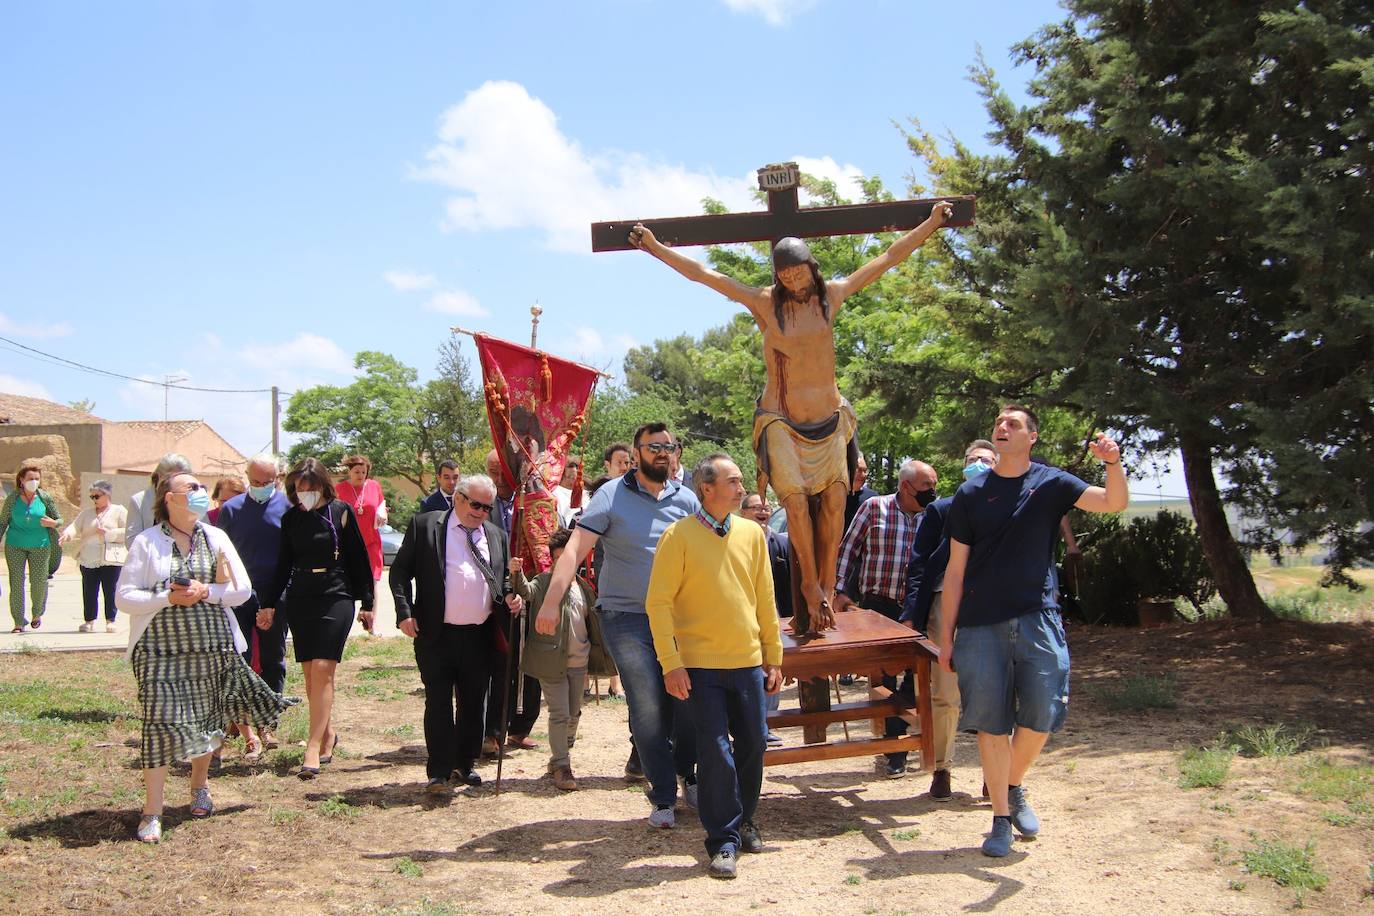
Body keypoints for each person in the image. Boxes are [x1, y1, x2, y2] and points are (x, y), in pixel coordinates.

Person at [629, 201, 953, 633]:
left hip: (828, 422)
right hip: (781, 419)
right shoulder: (766, 305)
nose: (793, 280)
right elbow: (707, 276)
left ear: (811, 269)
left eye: (798, 273)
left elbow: (887, 258)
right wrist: (654, 247)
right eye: (785, 275)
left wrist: (930, 223)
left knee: (837, 502)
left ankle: (826, 580)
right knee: (796, 502)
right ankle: (810, 589)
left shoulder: (829, 298)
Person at [938, 406, 1126, 857]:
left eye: (1013, 424)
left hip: (1038, 617)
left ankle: (1013, 783)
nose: (1002, 428)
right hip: (980, 623)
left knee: (1043, 709)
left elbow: (1113, 503)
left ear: (1033, 437)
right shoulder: (970, 492)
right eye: (998, 423)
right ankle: (1001, 818)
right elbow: (956, 571)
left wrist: (1113, 463)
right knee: (991, 722)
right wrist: (947, 638)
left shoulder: (1052, 483)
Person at [537, 422, 700, 827]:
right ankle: (663, 796)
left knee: (688, 702)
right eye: (655, 446)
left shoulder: (688, 500)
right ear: (637, 450)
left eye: (669, 446)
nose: (663, 453)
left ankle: (688, 773)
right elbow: (575, 549)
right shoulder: (611, 495)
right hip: (626, 617)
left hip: (680, 618)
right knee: (646, 704)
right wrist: (551, 603)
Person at [115, 468, 290, 843]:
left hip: (211, 647)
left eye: (199, 487)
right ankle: (152, 810)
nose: (198, 492)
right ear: (169, 498)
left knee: (206, 720)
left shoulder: (216, 537)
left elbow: (241, 590)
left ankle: (199, 786)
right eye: (189, 487)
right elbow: (123, 598)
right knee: (158, 723)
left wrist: (205, 591)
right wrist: (167, 597)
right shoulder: (147, 543)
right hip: (159, 650)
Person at [646, 453, 783, 879]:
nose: (742, 488)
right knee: (716, 753)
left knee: (754, 744)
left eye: (741, 481)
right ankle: (723, 840)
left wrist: (773, 654)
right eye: (734, 480)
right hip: (699, 667)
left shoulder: (752, 534)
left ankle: (744, 821)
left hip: (747, 663)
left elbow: (765, 597)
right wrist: (671, 663)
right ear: (707, 488)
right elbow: (658, 603)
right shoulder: (678, 536)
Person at [389, 473, 522, 794]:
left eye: (487, 508)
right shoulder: (426, 526)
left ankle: (465, 764)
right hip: (436, 634)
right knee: (437, 702)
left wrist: (511, 596)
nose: (481, 513)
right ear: (458, 498)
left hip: (479, 635)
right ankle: (438, 771)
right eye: (476, 505)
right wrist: (404, 613)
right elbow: (400, 572)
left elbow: (502, 579)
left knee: (474, 703)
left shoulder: (495, 534)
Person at [259, 458, 375, 779]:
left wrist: (368, 602)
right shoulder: (291, 519)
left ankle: (311, 747)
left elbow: (358, 559)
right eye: (298, 489)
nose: (303, 495)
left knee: (324, 669)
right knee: (311, 677)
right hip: (301, 597)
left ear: (322, 486)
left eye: (309, 489)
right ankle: (327, 734)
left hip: (336, 594)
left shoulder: (341, 513)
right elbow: (283, 564)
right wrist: (268, 603)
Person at [899, 439, 997, 801]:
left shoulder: (1013, 510)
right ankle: (942, 769)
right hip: (945, 608)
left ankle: (995, 775)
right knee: (944, 692)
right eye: (973, 461)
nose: (979, 466)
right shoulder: (941, 511)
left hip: (994, 608)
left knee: (995, 691)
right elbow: (921, 563)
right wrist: (912, 613)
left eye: (986, 461)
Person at [833, 459, 937, 777]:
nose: (932, 492)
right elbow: (848, 549)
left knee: (916, 677)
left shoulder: (933, 516)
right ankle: (895, 749)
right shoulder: (874, 508)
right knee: (886, 678)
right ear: (906, 486)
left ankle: (900, 738)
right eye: (926, 487)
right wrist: (838, 590)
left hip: (919, 607)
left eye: (934, 486)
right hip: (879, 606)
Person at [512, 527, 615, 791]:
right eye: (559, 559)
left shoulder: (584, 587)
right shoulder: (545, 581)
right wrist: (516, 572)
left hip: (578, 661)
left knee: (573, 713)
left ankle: (560, 752)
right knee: (559, 713)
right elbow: (526, 591)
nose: (565, 564)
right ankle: (562, 765)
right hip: (551, 662)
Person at [214, 454, 291, 755]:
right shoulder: (231, 510)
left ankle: (268, 723)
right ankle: (241, 720)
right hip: (238, 596)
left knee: (273, 658)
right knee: (239, 660)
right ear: (247, 477)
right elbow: (220, 556)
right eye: (255, 481)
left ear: (277, 479)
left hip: (276, 595)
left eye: (266, 482)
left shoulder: (287, 508)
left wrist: (274, 601)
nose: (260, 487)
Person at [482, 448, 541, 753]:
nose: (498, 479)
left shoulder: (535, 496)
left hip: (529, 589)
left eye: (501, 471)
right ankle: (492, 730)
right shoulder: (482, 502)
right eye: (492, 472)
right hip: (492, 594)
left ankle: (522, 727)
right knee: (500, 662)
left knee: (531, 659)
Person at [741, 492, 789, 745]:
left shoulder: (781, 543)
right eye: (756, 507)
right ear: (743, 512)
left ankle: (766, 724)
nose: (763, 511)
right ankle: (748, 725)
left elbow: (790, 583)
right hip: (742, 619)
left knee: (772, 668)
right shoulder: (735, 542)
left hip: (774, 618)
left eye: (767, 507)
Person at [0, 461, 63, 632]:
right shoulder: (12, 499)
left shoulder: (45, 498)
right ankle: (19, 622)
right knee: (16, 583)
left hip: (40, 546)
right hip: (15, 546)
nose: (34, 481)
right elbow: (3, 522)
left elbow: (59, 519)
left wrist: (53, 523)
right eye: (30, 478)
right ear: (21, 480)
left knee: (38, 582)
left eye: (37, 478)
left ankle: (37, 614)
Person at [59, 479, 127, 634]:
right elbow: (75, 526)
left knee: (110, 590)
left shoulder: (119, 510)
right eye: (92, 497)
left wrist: (110, 533)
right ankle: (89, 621)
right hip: (89, 558)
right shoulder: (87, 513)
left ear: (107, 495)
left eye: (97, 496)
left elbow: (127, 531)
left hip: (110, 558)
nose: (94, 500)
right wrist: (67, 535)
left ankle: (111, 620)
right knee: (89, 590)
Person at [336, 454, 387, 582]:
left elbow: (381, 504)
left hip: (371, 541)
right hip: (349, 543)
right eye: (357, 472)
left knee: (372, 581)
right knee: (350, 581)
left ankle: (372, 603)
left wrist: (383, 514)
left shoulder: (374, 486)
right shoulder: (339, 489)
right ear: (349, 472)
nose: (360, 475)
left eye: (364, 472)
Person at [126, 453, 192, 541]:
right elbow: (131, 539)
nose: (176, 484)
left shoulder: (191, 499)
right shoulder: (139, 501)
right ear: (159, 476)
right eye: (173, 479)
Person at [843, 452, 879, 533]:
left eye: (865, 470)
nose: (862, 475)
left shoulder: (873, 499)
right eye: (859, 470)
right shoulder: (834, 496)